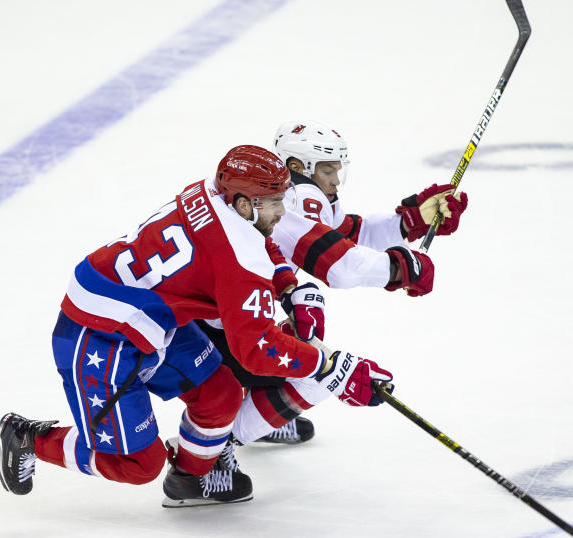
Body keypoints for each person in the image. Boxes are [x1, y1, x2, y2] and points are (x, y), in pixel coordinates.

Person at [0, 145, 392, 508]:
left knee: (220, 393)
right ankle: (27, 439)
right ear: (244, 204)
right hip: (100, 332)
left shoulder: (211, 192)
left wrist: (287, 286)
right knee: (139, 465)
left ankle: (193, 479)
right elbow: (256, 350)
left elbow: (260, 241)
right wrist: (331, 367)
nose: (282, 211)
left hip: (146, 313)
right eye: (272, 202)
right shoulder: (237, 260)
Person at [200, 122, 468, 446]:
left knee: (305, 324)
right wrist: (399, 268)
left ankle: (257, 416)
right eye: (328, 170)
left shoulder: (277, 199)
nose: (335, 180)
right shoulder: (291, 202)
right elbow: (340, 264)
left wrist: (409, 222)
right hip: (211, 329)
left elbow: (345, 236)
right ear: (297, 167)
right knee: (321, 373)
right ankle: (212, 450)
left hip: (220, 317)